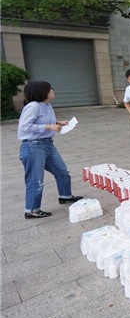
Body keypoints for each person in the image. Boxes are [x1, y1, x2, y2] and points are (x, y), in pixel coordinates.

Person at [17, 81, 83, 219]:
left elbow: (41, 121)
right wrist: (49, 127)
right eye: (49, 89)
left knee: (62, 171)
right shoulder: (33, 106)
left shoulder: (46, 105)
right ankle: (32, 210)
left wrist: (57, 122)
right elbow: (25, 126)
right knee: (36, 180)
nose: (52, 90)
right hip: (33, 147)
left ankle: (65, 196)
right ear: (41, 92)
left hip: (48, 145)